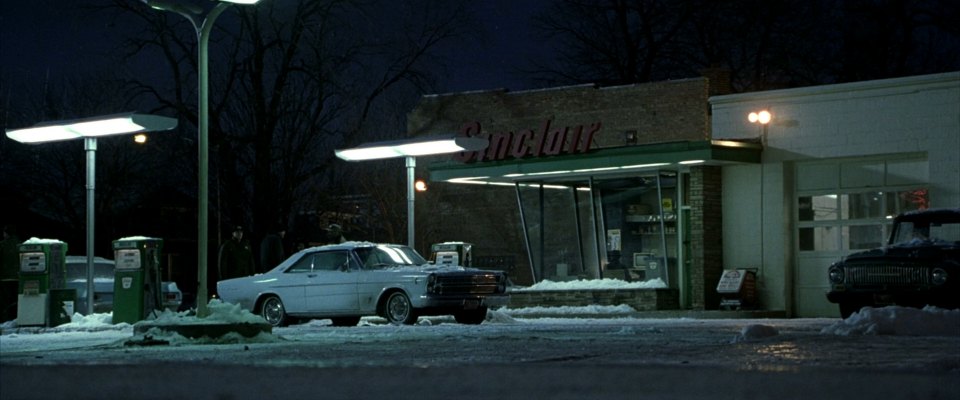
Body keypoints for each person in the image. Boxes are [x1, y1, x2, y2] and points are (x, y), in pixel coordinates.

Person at [0, 225, 21, 322]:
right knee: (15, 299)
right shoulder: (19, 244)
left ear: (7, 233)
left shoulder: (3, 245)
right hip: (17, 277)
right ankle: (15, 317)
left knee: (5, 300)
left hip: (5, 277)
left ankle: (6, 319)